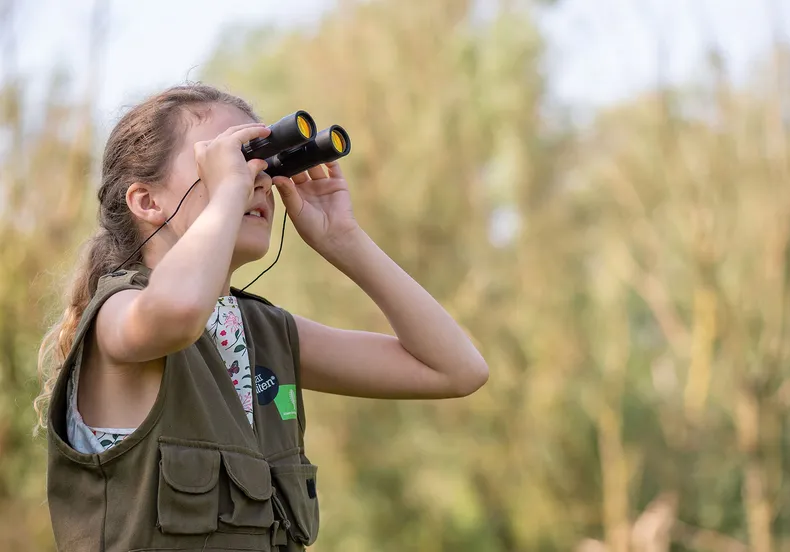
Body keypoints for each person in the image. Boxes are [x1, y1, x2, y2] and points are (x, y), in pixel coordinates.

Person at [34, 83, 488, 552]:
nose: (258, 180)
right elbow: (180, 311)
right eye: (227, 162)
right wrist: (233, 189)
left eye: (263, 163)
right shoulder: (117, 317)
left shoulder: (262, 334)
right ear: (147, 202)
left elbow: (456, 370)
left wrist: (344, 239)